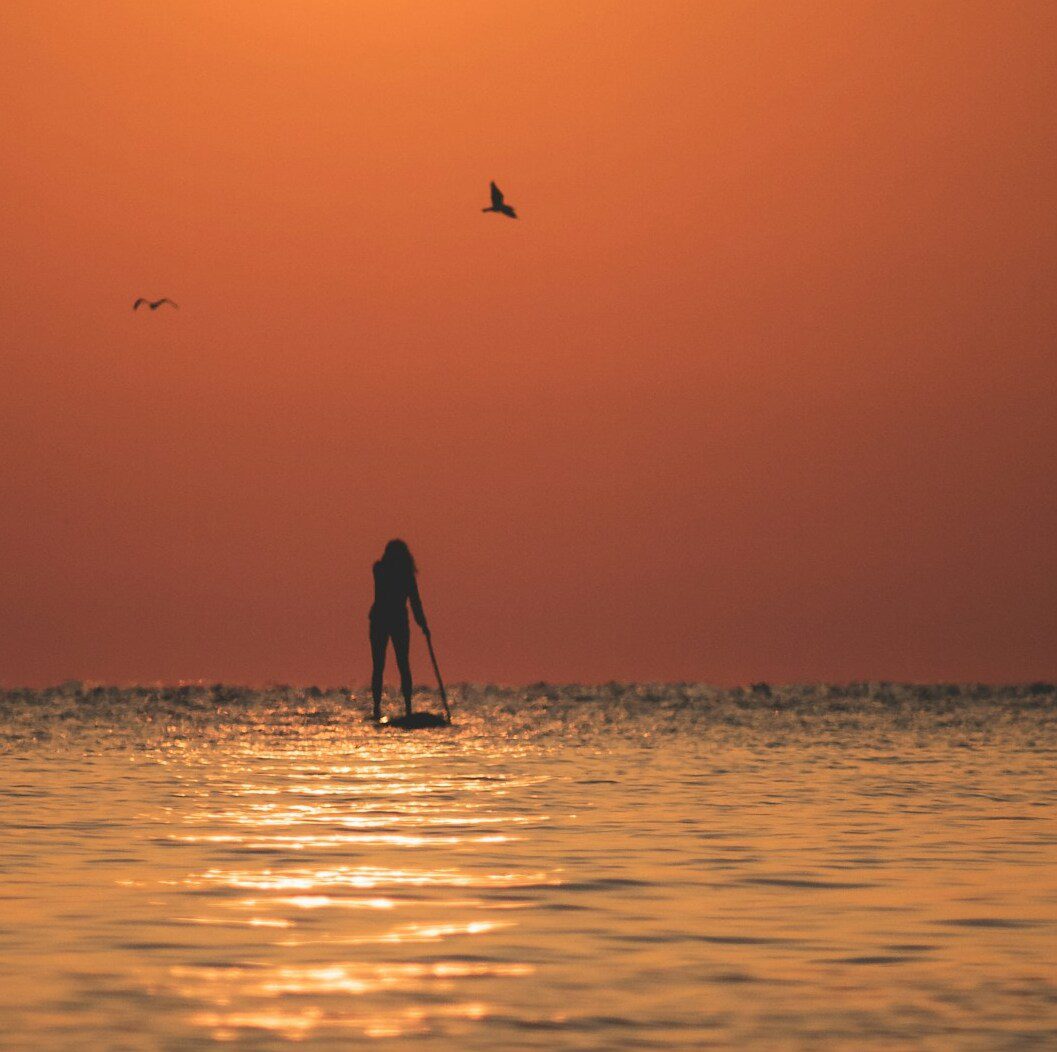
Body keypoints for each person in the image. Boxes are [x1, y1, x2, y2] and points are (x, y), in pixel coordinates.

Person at [369, 539, 429, 720]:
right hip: (384, 620)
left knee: (401, 664)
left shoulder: (399, 574)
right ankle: (377, 708)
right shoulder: (381, 570)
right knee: (381, 665)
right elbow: (415, 601)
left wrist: (423, 624)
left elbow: (415, 602)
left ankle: (406, 708)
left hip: (395, 621)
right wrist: (422, 624)